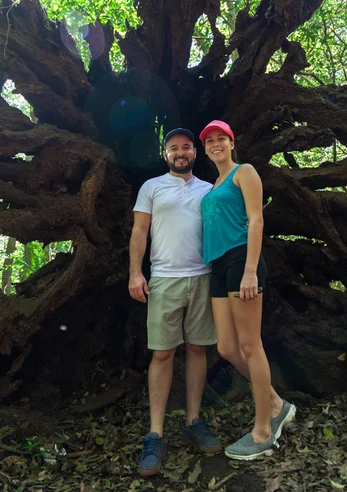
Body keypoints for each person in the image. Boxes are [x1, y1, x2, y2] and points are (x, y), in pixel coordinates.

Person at [199, 119, 296, 461]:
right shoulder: (213, 186)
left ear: (231, 141)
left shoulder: (244, 172)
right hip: (217, 266)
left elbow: (256, 219)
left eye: (220, 138)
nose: (215, 144)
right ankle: (275, 403)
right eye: (209, 140)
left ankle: (263, 430)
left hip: (242, 261)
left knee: (250, 345)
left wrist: (251, 271)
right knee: (226, 347)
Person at [129, 128, 220, 477]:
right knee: (163, 353)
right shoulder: (151, 187)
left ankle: (195, 421)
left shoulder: (209, 190)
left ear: (195, 152)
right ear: (165, 154)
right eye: (173, 148)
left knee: (198, 348)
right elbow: (139, 231)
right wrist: (136, 272)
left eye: (185, 147)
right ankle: (156, 433)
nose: (180, 153)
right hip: (164, 279)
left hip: (202, 276)